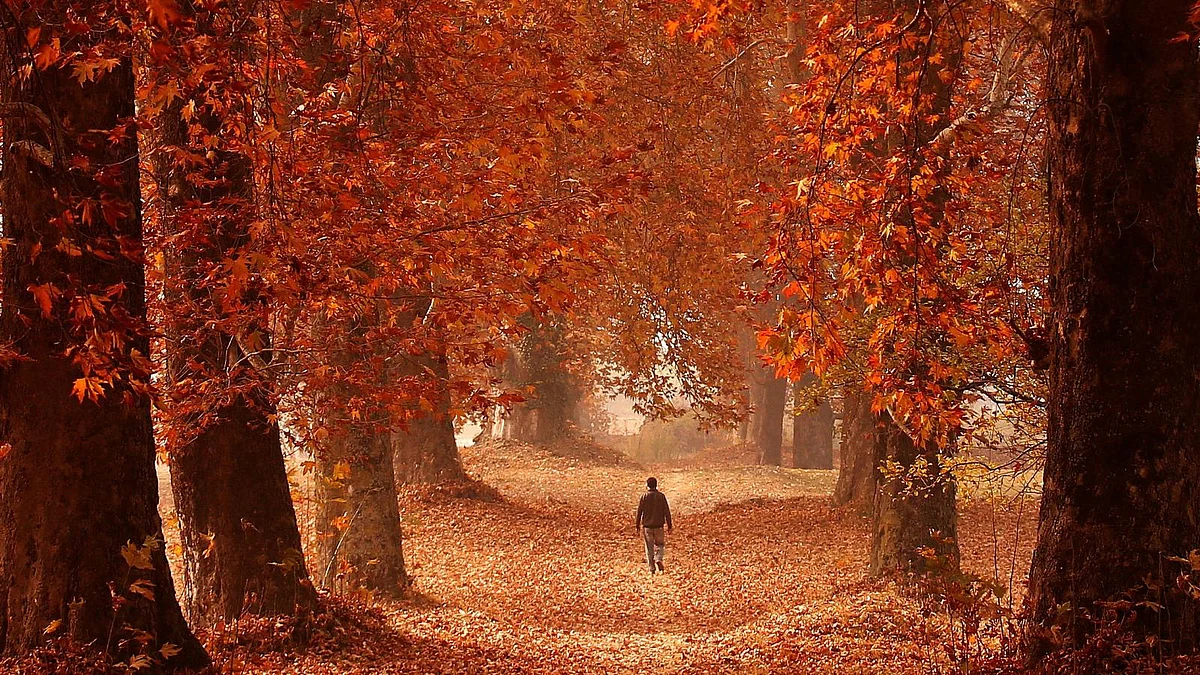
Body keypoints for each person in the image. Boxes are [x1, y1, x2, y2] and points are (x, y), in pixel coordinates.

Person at [635, 476, 673, 574]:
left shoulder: (644, 496)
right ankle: (659, 558)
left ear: (647, 485)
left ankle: (652, 569)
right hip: (659, 526)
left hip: (647, 527)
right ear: (656, 485)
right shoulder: (661, 496)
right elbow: (666, 511)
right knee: (660, 544)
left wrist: (637, 525)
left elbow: (639, 511)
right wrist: (669, 525)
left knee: (649, 548)